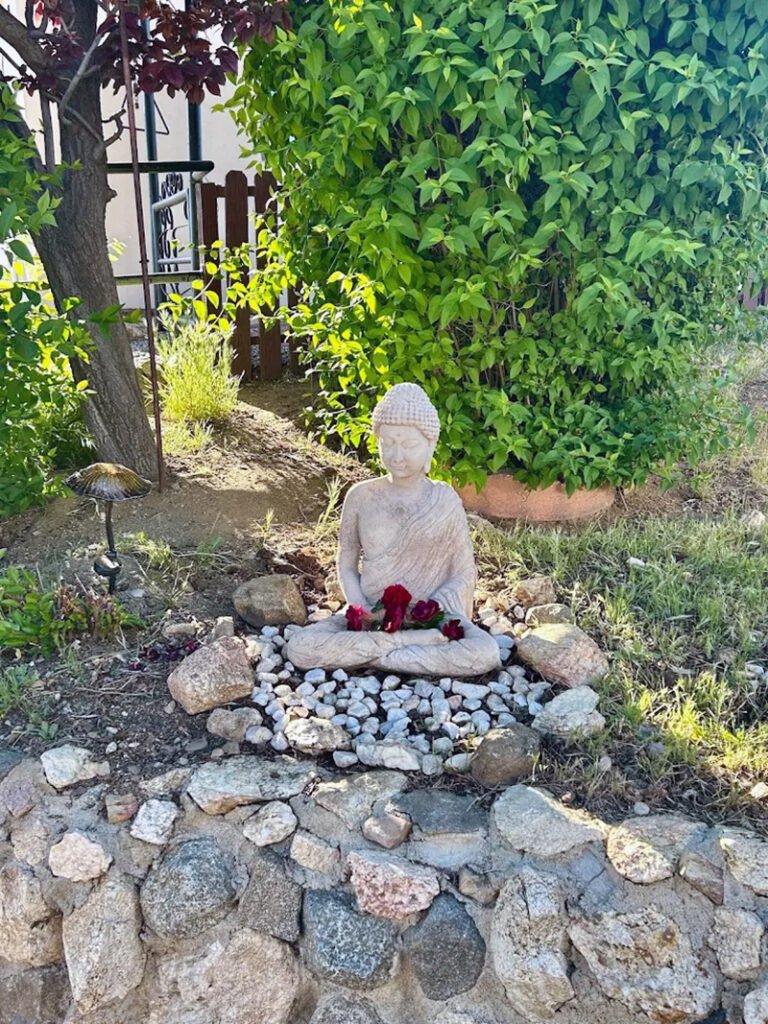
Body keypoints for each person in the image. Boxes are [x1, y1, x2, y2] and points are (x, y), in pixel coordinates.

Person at [286, 383, 500, 676]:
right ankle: (406, 648)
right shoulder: (361, 496)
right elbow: (346, 560)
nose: (397, 455)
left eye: (409, 445)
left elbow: (463, 572)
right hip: (374, 613)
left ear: (430, 445)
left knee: (485, 653)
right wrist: (361, 607)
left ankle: (373, 654)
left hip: (433, 616)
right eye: (388, 443)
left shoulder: (444, 499)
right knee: (300, 646)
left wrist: (432, 611)